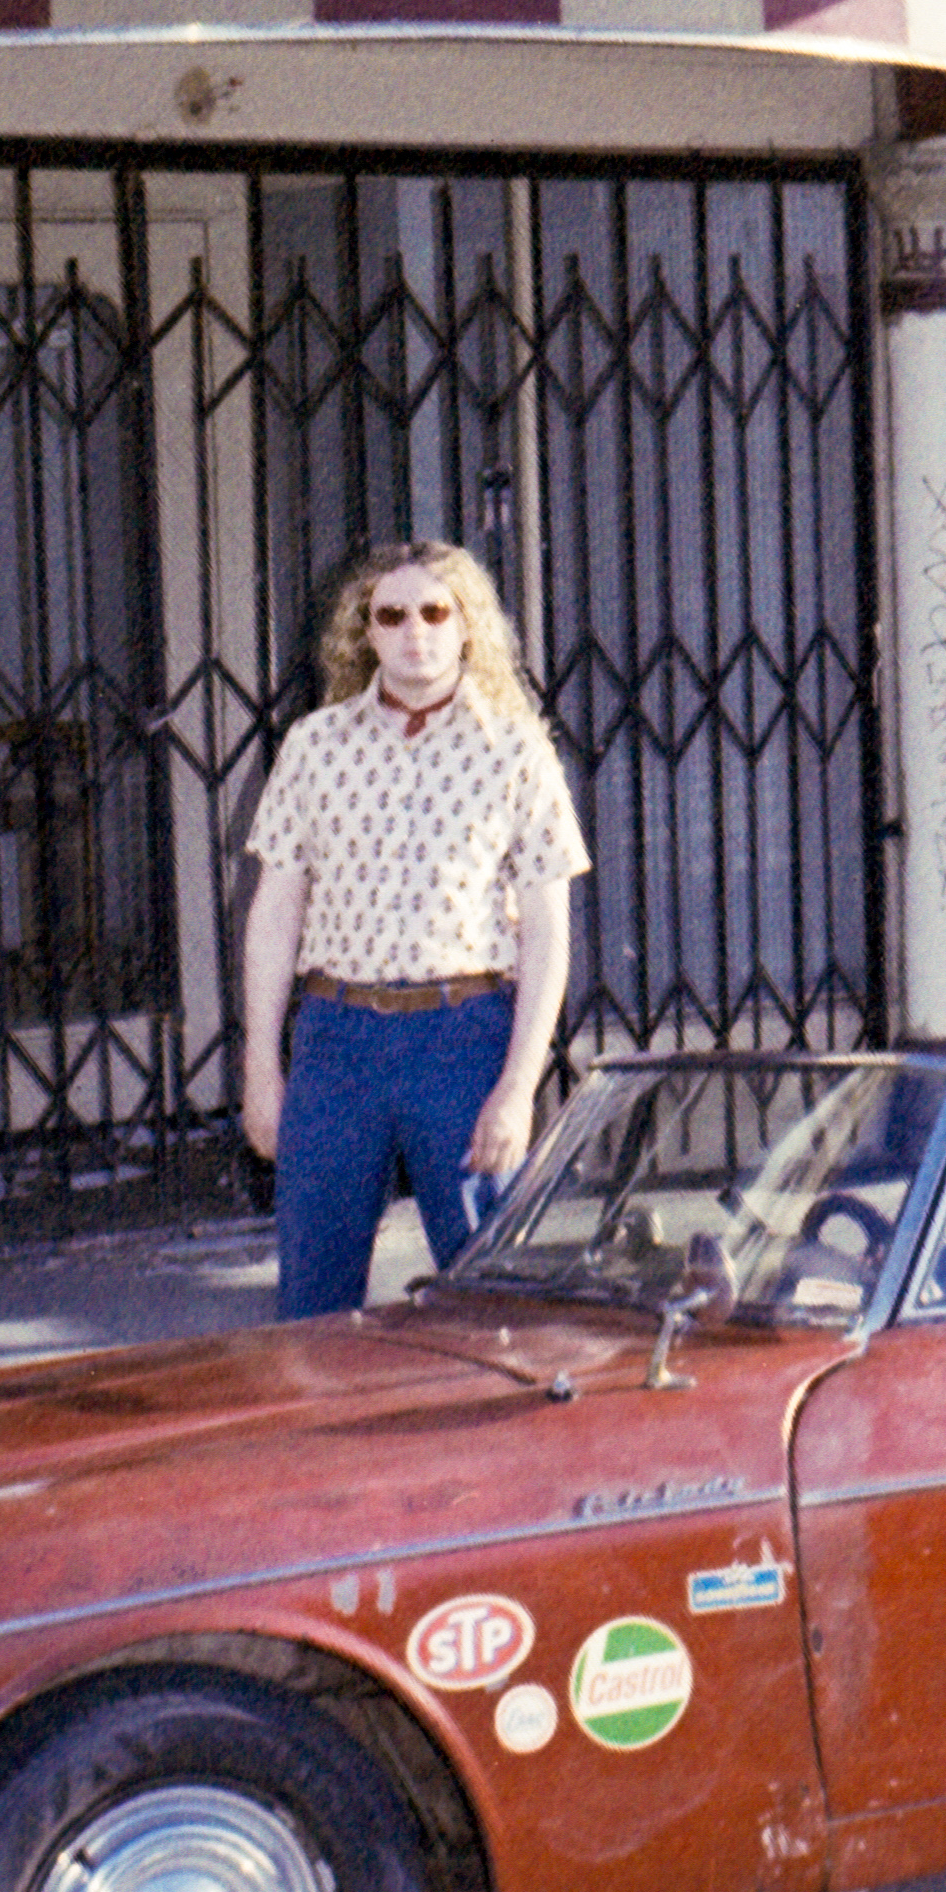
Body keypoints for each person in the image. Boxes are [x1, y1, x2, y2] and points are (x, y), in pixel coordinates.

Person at [237, 536, 588, 1318]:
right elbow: (275, 914)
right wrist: (263, 1068)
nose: (414, 632)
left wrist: (517, 1088)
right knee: (313, 1310)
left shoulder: (516, 751)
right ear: (365, 632)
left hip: (462, 1044)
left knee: (494, 1304)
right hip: (336, 1048)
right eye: (390, 615)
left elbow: (547, 935)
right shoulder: (313, 747)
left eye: (436, 611)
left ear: (469, 625)